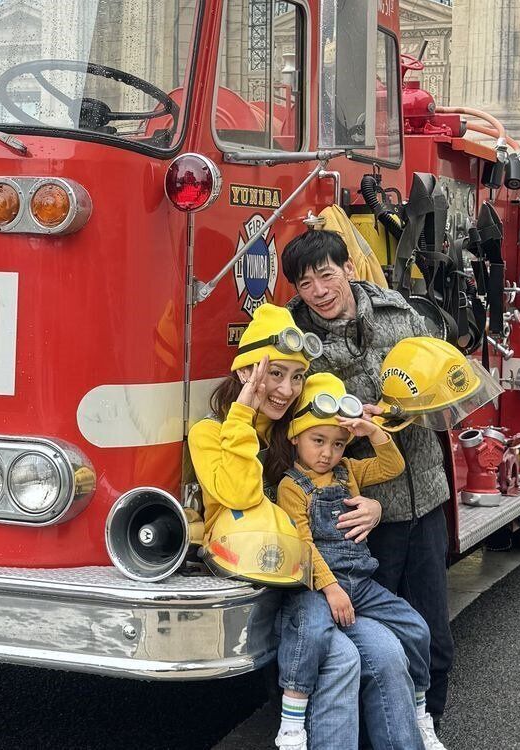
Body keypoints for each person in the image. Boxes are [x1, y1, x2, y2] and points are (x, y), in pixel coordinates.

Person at [188, 303, 424, 750]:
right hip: (269, 585)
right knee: (342, 659)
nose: (286, 389)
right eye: (275, 374)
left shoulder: (293, 429)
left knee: (391, 652)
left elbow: (353, 471)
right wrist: (242, 414)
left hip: (317, 578)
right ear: (245, 371)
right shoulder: (211, 431)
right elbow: (241, 493)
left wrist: (373, 507)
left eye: (297, 376)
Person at [282, 230, 454, 726]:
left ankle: (427, 725)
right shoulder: (296, 342)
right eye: (306, 283)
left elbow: (443, 389)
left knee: (432, 635)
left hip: (422, 497)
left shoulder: (399, 314)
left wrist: (399, 412)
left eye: (326, 275)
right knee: (367, 642)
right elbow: (288, 426)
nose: (319, 291)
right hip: (353, 520)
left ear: (349, 269)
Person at [274, 372, 445, 750]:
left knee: (417, 629)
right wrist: (331, 588)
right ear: (295, 437)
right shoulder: (292, 487)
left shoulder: (348, 472)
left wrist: (373, 432)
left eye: (338, 443)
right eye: (318, 441)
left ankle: (420, 710)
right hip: (319, 587)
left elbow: (392, 466)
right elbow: (303, 545)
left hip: (362, 585)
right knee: (311, 634)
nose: (327, 453)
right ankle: (291, 723)